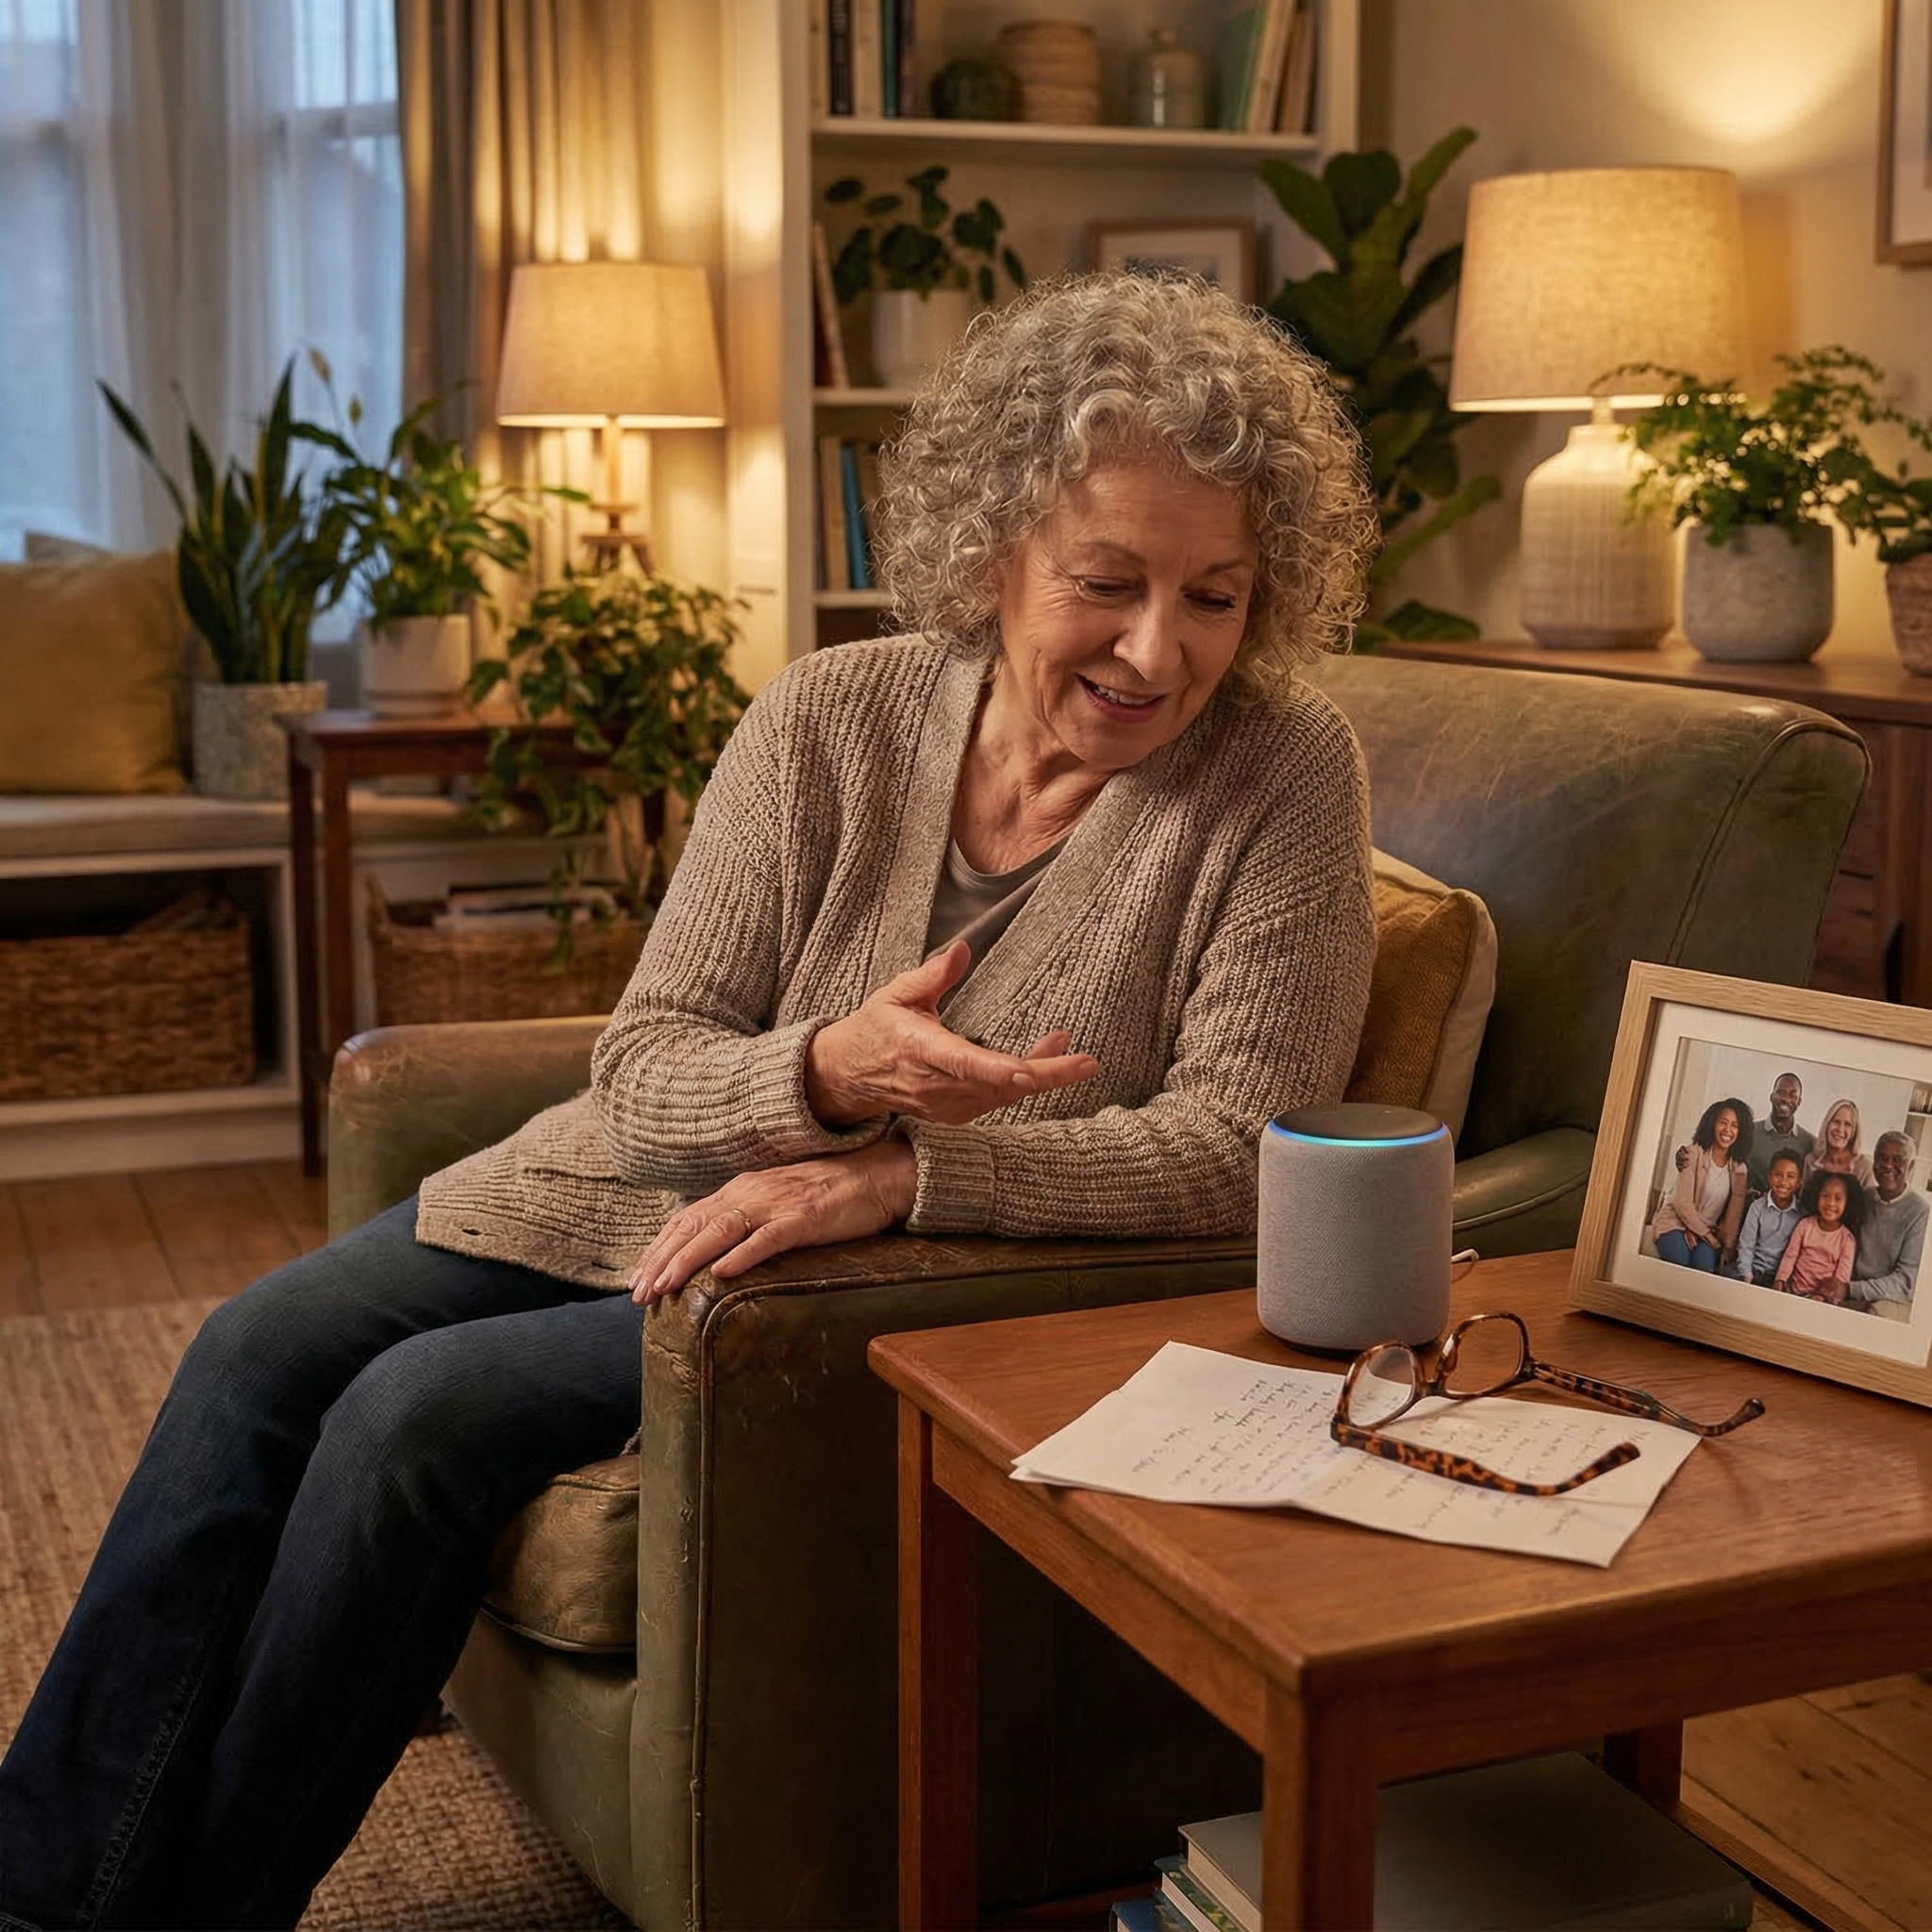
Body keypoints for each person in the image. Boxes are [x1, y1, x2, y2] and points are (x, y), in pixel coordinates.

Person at [0, 271, 1380, 1929]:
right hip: (621, 1184)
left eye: (1214, 596)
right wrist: (822, 1071)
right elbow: (647, 1067)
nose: (1159, 648)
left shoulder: (1282, 776)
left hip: (847, 1270)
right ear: (993, 548)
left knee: (408, 1420)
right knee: (253, 1346)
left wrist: (896, 1181)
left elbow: (1240, 1143)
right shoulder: (826, 716)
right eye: (1107, 581)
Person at [1651, 1097, 1753, 1273]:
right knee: (1679, 1259)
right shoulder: (1692, 1153)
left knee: (1704, 1267)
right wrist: (1702, 1232)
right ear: (1713, 1124)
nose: (1728, 1130)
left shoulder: (1740, 1169)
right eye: (1723, 1123)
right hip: (1676, 1222)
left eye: (1735, 1125)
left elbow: (1733, 1216)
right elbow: (1682, 1203)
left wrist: (1727, 1249)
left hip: (1708, 1230)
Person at [1846, 1129, 1927, 1315]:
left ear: (1911, 1166)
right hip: (1855, 1289)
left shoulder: (1920, 1212)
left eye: (1898, 1159)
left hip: (1892, 1298)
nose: (1888, 1165)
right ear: (1874, 1163)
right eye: (1882, 1158)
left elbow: (1906, 1281)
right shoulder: (1865, 1197)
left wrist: (1851, 1289)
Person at [1774, 1171, 1863, 1303]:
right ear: (1816, 1196)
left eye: (1838, 1198)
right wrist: (1780, 1279)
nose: (1830, 1203)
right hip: (1793, 1290)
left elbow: (1841, 1277)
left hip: (1824, 1299)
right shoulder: (1805, 1225)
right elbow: (1790, 1255)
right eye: (1825, 1196)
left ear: (1848, 1203)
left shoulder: (1847, 1239)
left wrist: (1822, 1296)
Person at [1730, 1150, 1805, 1288]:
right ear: (1769, 1177)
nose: (1783, 1181)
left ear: (1799, 1182)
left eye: (1790, 1177)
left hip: (1779, 1277)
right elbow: (1746, 1245)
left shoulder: (1801, 1215)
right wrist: (1746, 1275)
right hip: (1753, 1269)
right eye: (1778, 1175)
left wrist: (1781, 1281)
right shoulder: (1758, 1207)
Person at [1746, 1072, 1815, 1196]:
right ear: (1771, 1096)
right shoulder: (1749, 1132)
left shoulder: (1809, 1143)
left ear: (1799, 1102)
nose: (1786, 1099)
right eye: (1781, 1092)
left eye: (1793, 1095)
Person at [1801, 1097, 1874, 1196]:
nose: (1840, 1129)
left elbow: (1870, 1208)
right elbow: (1803, 1205)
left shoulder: (1864, 1167)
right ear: (1827, 1124)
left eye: (1847, 1124)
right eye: (1836, 1122)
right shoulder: (1811, 1162)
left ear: (1854, 1132)